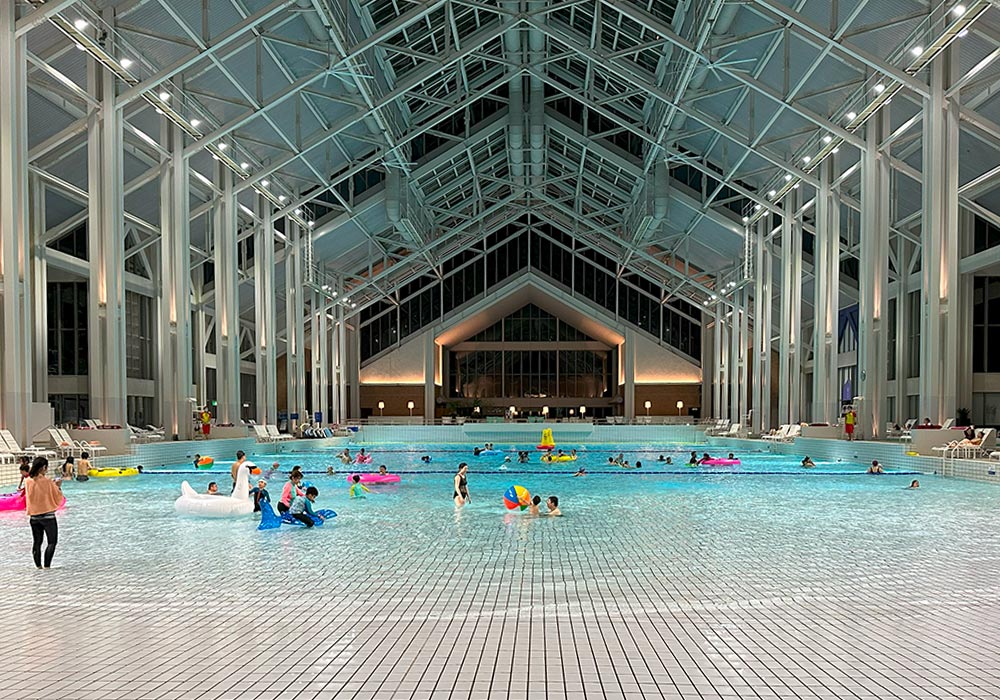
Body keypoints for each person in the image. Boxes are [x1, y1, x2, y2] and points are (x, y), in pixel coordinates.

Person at [25, 457, 63, 569]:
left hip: (34, 516)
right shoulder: (47, 481)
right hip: (48, 516)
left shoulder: (28, 481)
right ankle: (47, 566)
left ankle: (38, 567)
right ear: (44, 467)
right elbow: (58, 497)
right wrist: (58, 487)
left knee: (37, 542)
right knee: (52, 542)